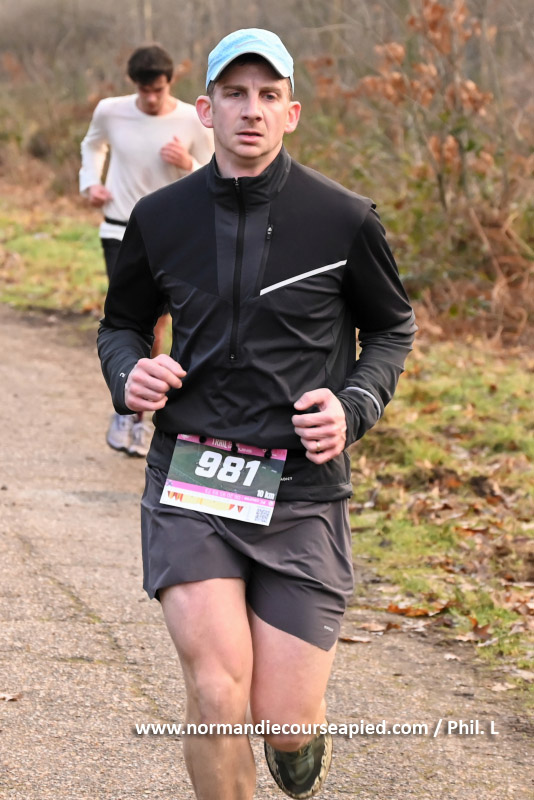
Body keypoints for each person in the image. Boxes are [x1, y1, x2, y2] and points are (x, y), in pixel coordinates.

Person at [97, 28, 417, 800]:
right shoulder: (160, 218)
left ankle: (299, 743)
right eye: (234, 95)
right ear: (205, 110)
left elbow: (393, 329)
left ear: (291, 112)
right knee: (216, 692)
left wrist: (353, 405)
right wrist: (129, 373)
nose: (252, 110)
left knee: (284, 719)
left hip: (301, 491)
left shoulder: (343, 219)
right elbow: (121, 326)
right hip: (193, 476)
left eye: (269, 95)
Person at [80, 43, 213, 457]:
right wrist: (90, 183)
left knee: (164, 325)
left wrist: (187, 164)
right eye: (144, 90)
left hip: (175, 236)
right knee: (136, 321)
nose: (151, 98)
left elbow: (217, 172)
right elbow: (92, 145)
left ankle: (144, 412)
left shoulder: (193, 118)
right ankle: (132, 411)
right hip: (119, 229)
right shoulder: (110, 110)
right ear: (133, 84)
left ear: (170, 82)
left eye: (158, 90)